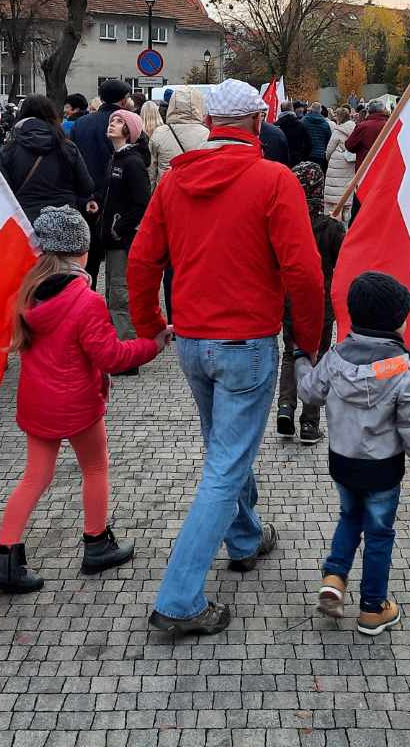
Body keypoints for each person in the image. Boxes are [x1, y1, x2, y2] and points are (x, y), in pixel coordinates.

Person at [127, 79, 323, 638]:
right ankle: (180, 597)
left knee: (223, 449)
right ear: (259, 124)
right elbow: (305, 274)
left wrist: (150, 326)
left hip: (192, 341)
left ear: (213, 125)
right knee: (225, 464)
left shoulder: (174, 182)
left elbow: (142, 262)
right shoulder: (274, 180)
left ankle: (244, 536)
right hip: (248, 345)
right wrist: (307, 342)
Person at [0, 206, 170, 594]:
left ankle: (5, 555)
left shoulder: (26, 295)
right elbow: (111, 358)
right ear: (80, 252)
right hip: (79, 405)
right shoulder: (86, 301)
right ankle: (96, 543)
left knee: (35, 477)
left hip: (37, 404)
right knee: (96, 468)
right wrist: (153, 344)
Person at [293, 271, 410, 637]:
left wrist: (299, 358)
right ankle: (373, 608)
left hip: (342, 462)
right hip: (382, 470)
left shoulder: (336, 357)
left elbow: (309, 392)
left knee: (349, 516)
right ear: (396, 323)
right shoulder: (403, 369)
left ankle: (334, 578)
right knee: (378, 533)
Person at [276, 163, 345, 445]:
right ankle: (309, 422)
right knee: (316, 359)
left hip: (290, 301)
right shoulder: (330, 228)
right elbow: (345, 264)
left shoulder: (286, 225)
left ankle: (285, 407)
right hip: (322, 305)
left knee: (291, 355)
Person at [94, 108, 150, 353]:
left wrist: (119, 226)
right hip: (112, 238)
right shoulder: (115, 158)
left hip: (123, 239)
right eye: (112, 120)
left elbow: (141, 203)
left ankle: (126, 349)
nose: (112, 124)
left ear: (130, 131)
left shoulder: (132, 162)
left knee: (119, 293)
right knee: (112, 291)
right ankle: (118, 343)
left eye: (119, 122)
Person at [0, 95, 95, 223]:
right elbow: (86, 187)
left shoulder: (10, 149)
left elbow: (2, 191)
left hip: (26, 222)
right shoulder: (67, 147)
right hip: (64, 221)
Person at [73, 79, 133, 286]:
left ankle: (86, 297)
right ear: (123, 100)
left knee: (88, 257)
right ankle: (112, 306)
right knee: (117, 263)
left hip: (87, 197)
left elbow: (74, 159)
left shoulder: (81, 123)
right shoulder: (126, 123)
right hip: (117, 196)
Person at [149, 87, 210, 186]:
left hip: (167, 190)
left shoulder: (160, 133)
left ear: (172, 105)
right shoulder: (207, 134)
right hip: (196, 190)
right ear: (199, 105)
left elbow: (151, 171)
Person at [322, 107, 357, 210]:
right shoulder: (355, 128)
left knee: (334, 192)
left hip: (337, 161)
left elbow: (330, 148)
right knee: (346, 189)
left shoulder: (338, 130)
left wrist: (329, 158)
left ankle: (333, 214)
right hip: (350, 161)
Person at [346, 100, 389, 172]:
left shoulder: (362, 126)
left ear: (368, 111)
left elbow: (349, 145)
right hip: (385, 166)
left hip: (365, 167)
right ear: (383, 110)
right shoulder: (390, 125)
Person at [276, 101, 313, 167]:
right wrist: (302, 158)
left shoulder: (275, 126)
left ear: (281, 109)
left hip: (279, 161)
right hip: (296, 161)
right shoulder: (301, 125)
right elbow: (309, 144)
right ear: (292, 109)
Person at [302, 102, 332, 169]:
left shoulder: (304, 121)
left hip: (307, 154)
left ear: (311, 109)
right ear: (320, 111)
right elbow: (329, 139)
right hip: (320, 155)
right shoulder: (325, 123)